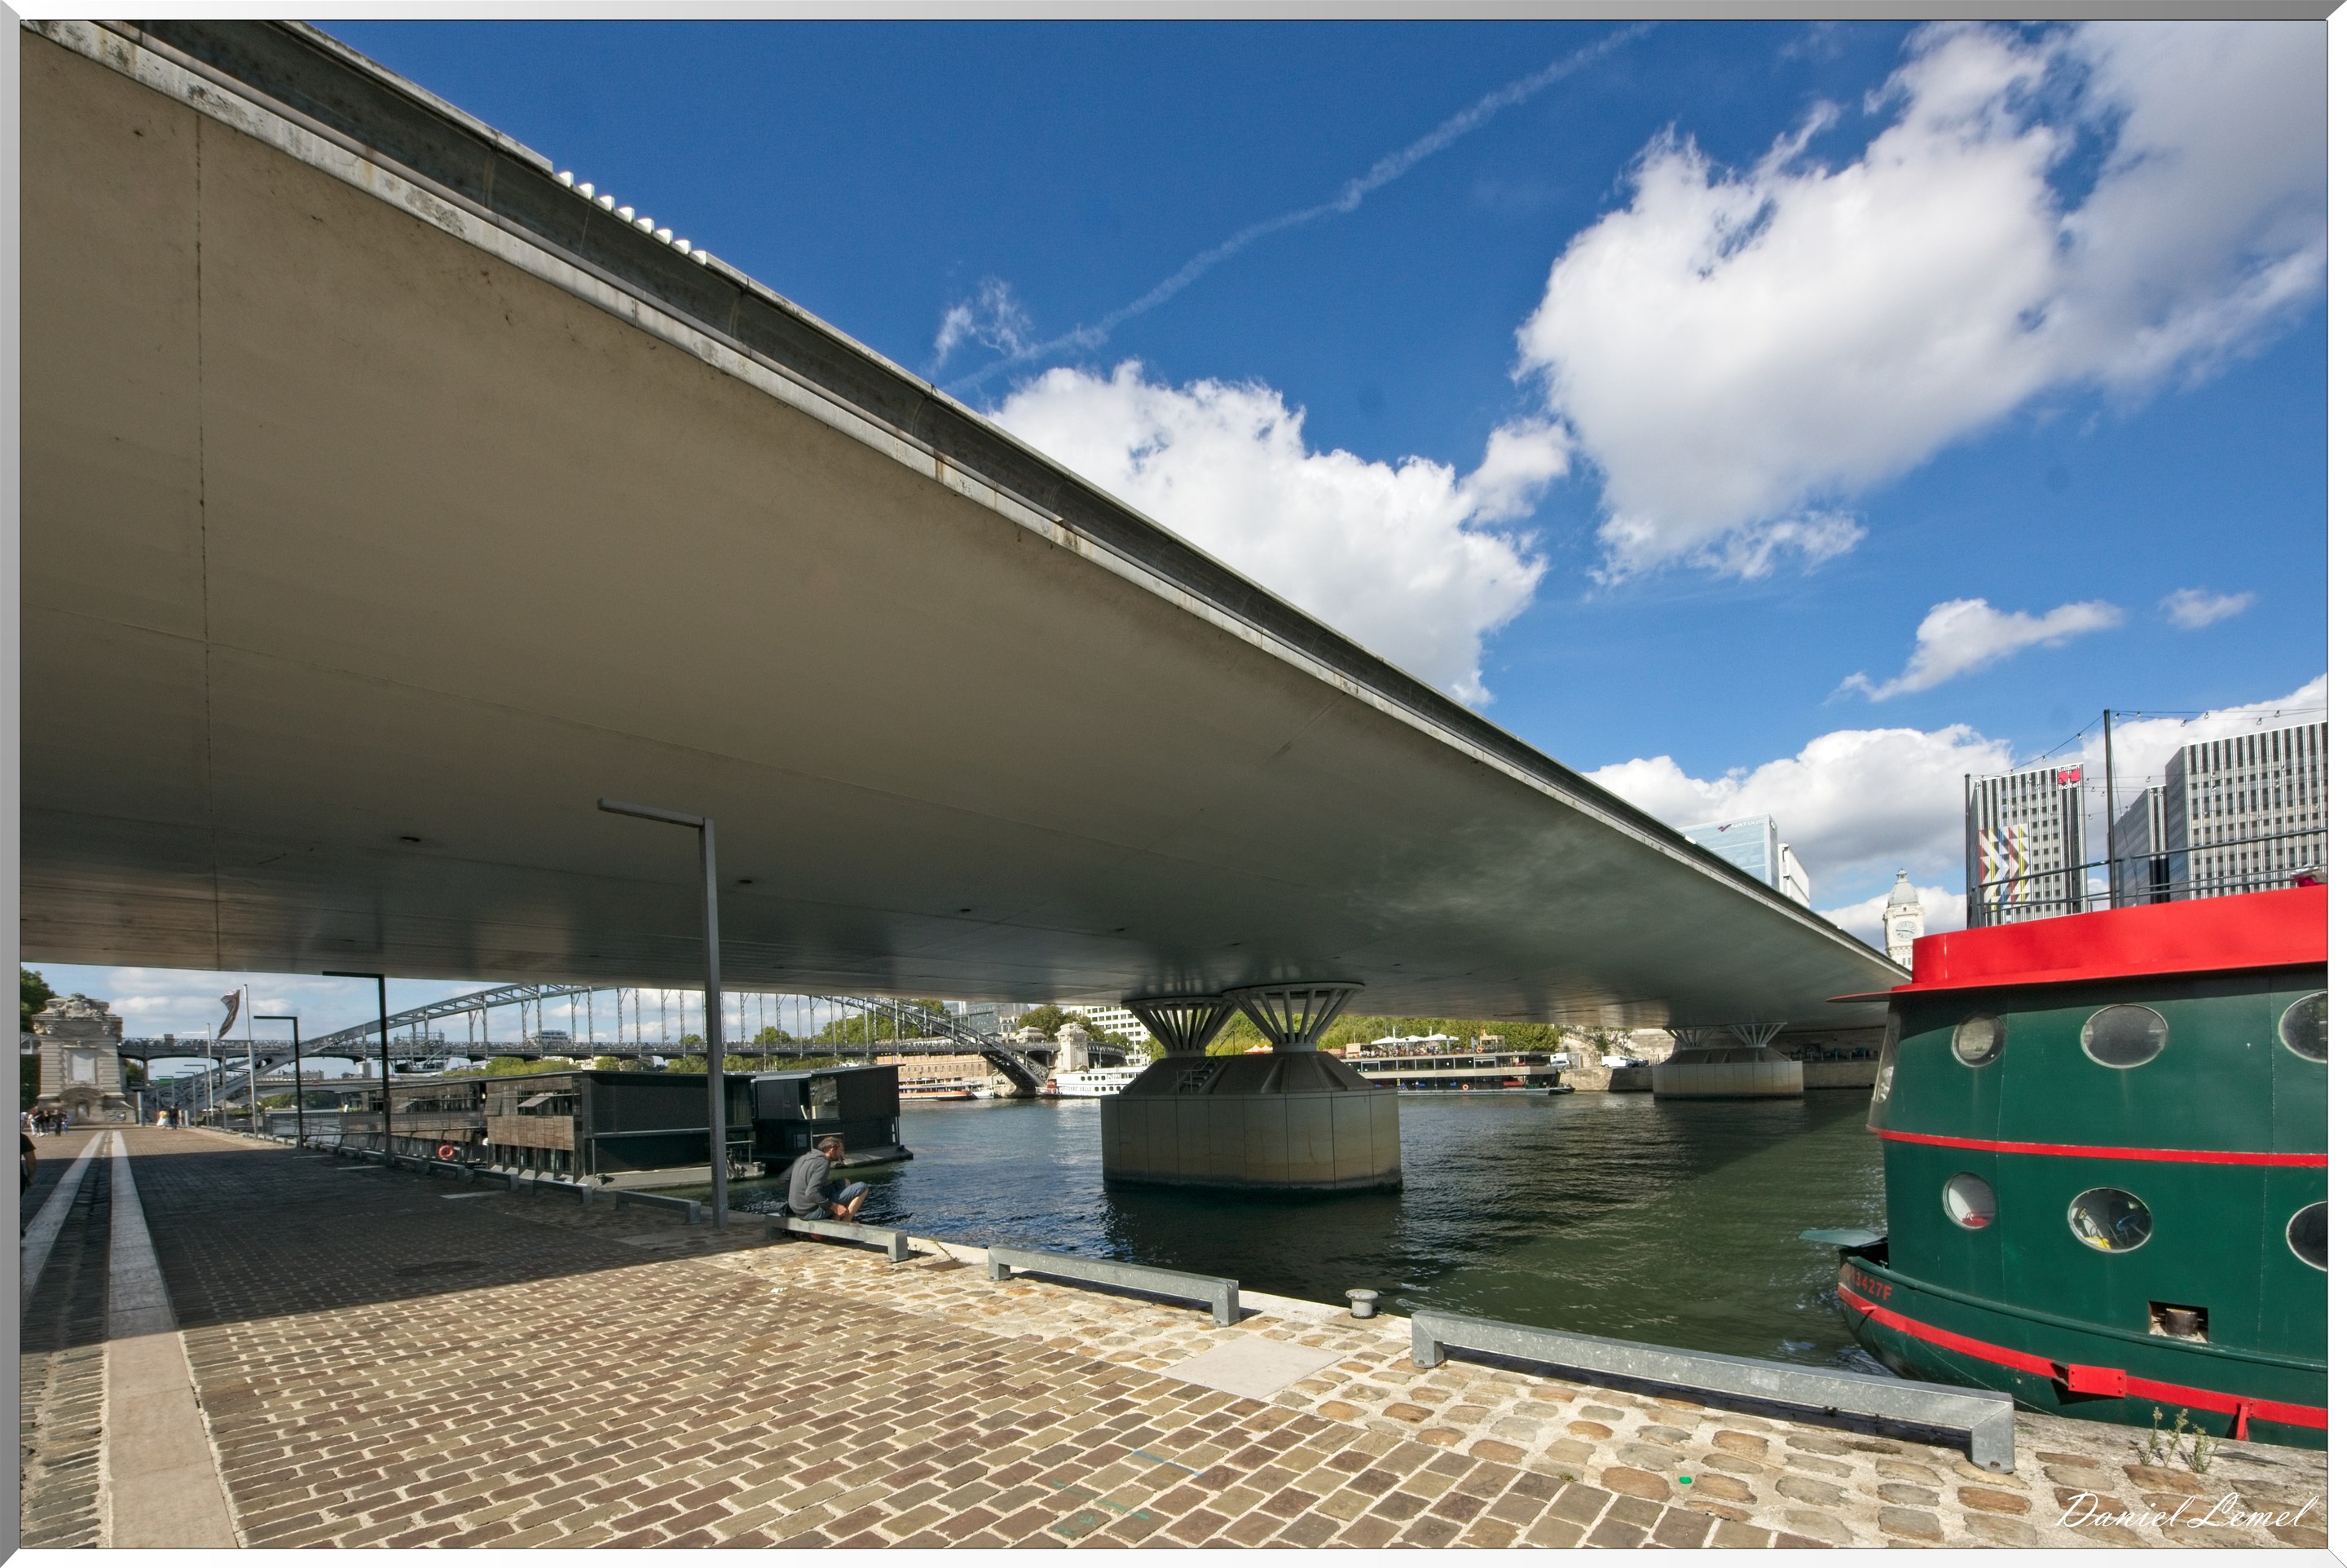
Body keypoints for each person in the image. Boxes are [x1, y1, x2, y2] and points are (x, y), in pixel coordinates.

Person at [786, 1135, 870, 1222]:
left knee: (845, 1182)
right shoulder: (823, 1163)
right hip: (811, 1212)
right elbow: (811, 1193)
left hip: (797, 1209)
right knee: (862, 1187)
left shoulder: (802, 1158)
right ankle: (845, 1224)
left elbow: (783, 1180)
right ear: (833, 1150)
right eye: (841, 1150)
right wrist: (835, 1207)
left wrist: (798, 1195)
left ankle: (836, 1219)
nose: (842, 1154)